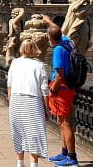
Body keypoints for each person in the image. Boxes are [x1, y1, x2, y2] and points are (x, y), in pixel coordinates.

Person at [8, 39, 50, 167]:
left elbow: (9, 85)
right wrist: (46, 109)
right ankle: (33, 165)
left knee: (18, 133)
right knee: (34, 134)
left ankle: (20, 163)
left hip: (16, 100)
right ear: (34, 49)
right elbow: (44, 90)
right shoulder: (39, 65)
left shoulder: (14, 63)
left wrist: (11, 102)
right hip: (32, 101)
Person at [44, 23, 78, 166]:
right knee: (61, 121)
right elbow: (58, 31)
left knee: (65, 123)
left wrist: (52, 89)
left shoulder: (58, 49)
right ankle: (64, 153)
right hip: (68, 87)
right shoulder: (67, 43)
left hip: (61, 89)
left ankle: (72, 158)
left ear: (50, 38)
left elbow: (60, 75)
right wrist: (49, 22)